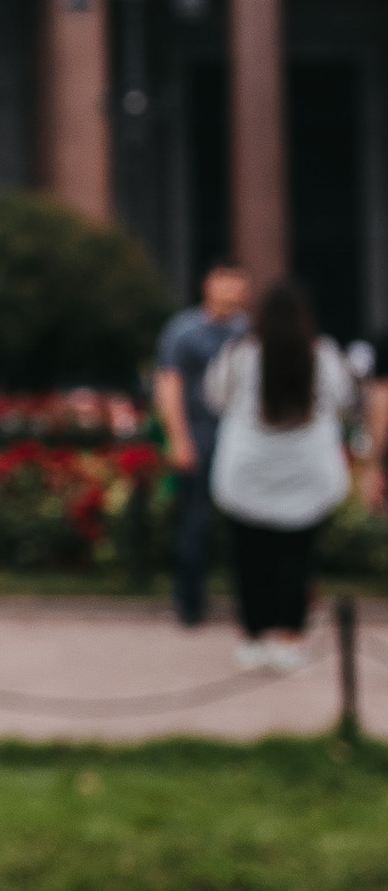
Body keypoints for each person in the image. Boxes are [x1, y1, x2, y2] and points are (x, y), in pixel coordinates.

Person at [206, 279, 357, 670]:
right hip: (307, 473)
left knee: (249, 560)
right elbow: (343, 401)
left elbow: (215, 397)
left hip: (247, 474)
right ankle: (290, 637)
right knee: (297, 558)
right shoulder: (323, 355)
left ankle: (253, 637)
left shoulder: (240, 354)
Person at [153, 261, 252, 629]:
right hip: (200, 439)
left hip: (242, 443)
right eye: (223, 282)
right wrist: (179, 439)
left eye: (236, 284)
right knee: (194, 524)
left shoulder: (250, 332)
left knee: (248, 527)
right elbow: (169, 385)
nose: (229, 291)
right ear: (208, 285)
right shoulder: (184, 331)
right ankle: (190, 604)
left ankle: (252, 604)